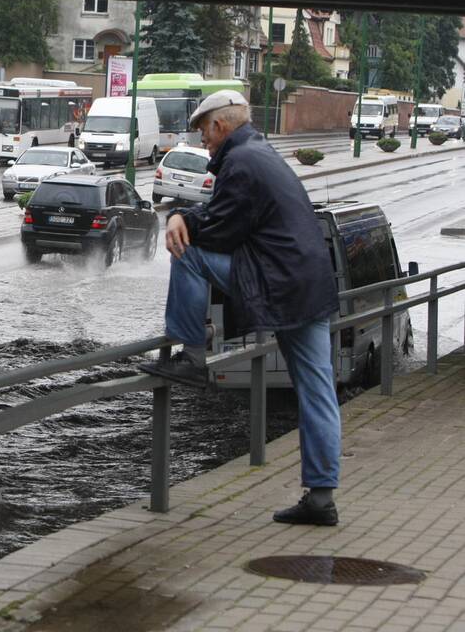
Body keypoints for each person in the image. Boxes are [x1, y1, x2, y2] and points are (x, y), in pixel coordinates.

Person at [139, 90, 342, 526]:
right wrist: (189, 214)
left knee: (185, 251)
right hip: (308, 285)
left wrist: (180, 220)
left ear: (219, 126)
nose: (202, 141)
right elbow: (227, 213)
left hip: (279, 282)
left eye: (203, 131)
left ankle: (193, 355)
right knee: (318, 392)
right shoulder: (258, 152)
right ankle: (322, 498)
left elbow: (222, 229)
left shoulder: (242, 161)